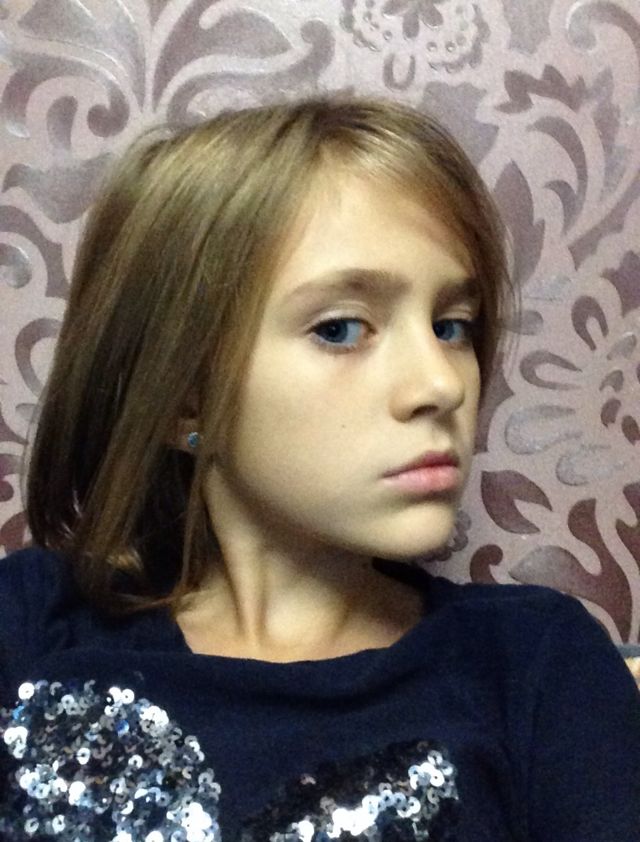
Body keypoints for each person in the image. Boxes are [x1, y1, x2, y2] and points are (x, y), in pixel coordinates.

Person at [0, 94, 637, 842]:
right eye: (340, 328)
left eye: (451, 325)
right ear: (182, 398)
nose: (441, 384)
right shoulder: (28, 623)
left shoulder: (531, 666)